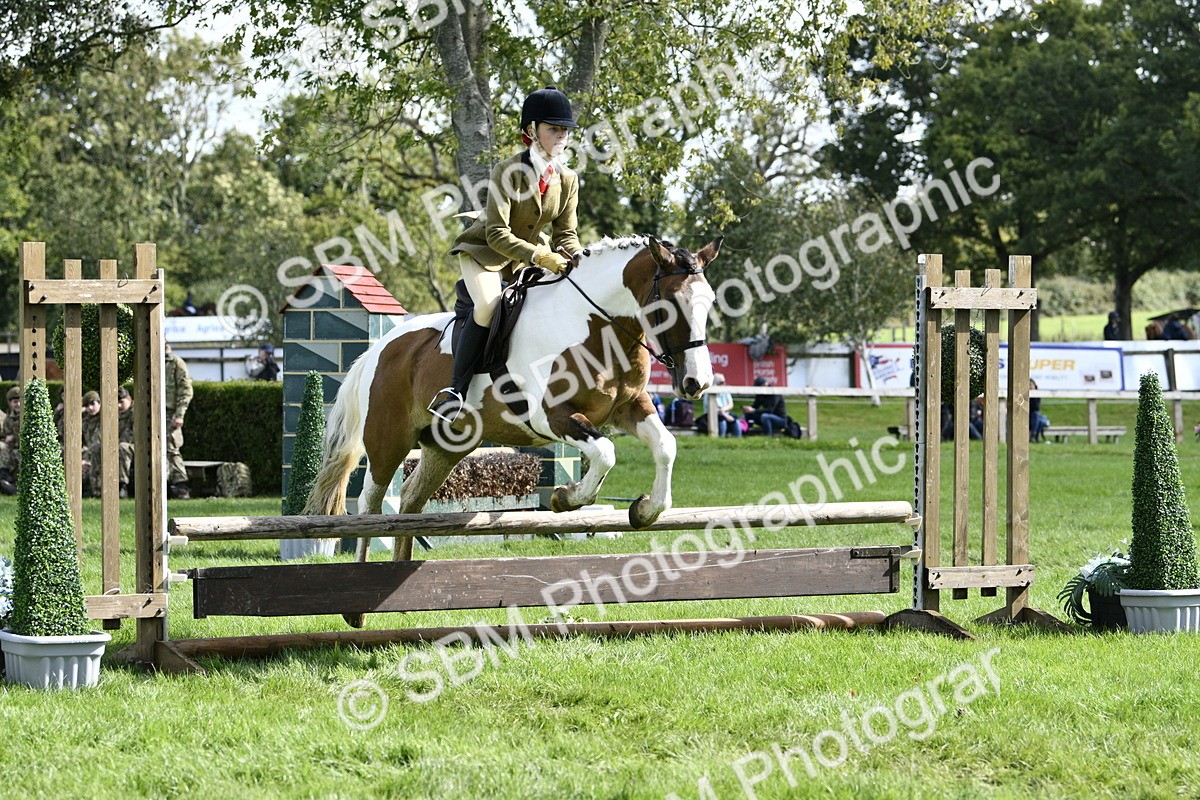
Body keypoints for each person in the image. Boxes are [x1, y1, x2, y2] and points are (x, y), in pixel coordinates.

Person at [429, 85, 583, 422]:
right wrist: (541, 257)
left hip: (526, 255)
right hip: (485, 252)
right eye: (552, 129)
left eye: (564, 131)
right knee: (488, 306)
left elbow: (566, 234)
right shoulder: (507, 171)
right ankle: (454, 390)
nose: (560, 137)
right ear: (531, 131)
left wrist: (579, 260)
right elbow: (497, 233)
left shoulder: (568, 179)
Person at [165, 343, 194, 499]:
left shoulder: (176, 363)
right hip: (156, 412)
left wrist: (179, 414)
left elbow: (186, 390)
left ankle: (182, 485)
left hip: (170, 413)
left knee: (171, 449)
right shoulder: (151, 360)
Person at [81, 391, 102, 496]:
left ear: (99, 403)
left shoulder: (105, 419)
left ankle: (96, 491)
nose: (90, 408)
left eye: (92, 404)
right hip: (88, 452)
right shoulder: (85, 421)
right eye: (87, 405)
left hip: (100, 451)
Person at [0, 385, 20, 494]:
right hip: (12, 447)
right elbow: (5, 434)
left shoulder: (26, 416)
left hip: (23, 448)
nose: (18, 404)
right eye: (15, 402)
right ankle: (4, 476)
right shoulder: (8, 418)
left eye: (20, 401)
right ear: (10, 403)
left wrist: (15, 436)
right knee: (3, 448)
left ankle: (15, 486)